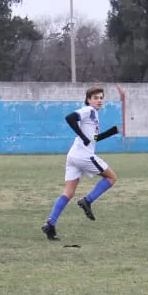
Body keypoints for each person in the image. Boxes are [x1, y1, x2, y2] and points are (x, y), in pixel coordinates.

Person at [41, 86, 120, 241]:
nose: (99, 100)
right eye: (95, 98)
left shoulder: (94, 115)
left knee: (68, 192)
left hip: (73, 156)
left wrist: (110, 133)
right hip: (83, 156)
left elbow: (92, 139)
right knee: (111, 178)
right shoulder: (88, 110)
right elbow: (70, 118)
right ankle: (87, 201)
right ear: (88, 100)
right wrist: (83, 137)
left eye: (101, 98)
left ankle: (50, 224)